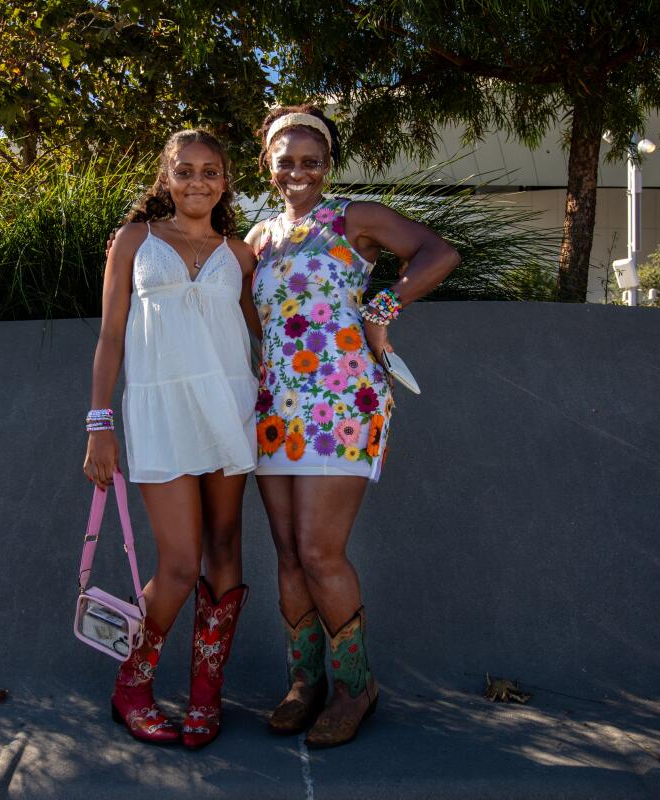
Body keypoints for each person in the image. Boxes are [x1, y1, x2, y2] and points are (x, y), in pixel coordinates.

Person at [246, 105, 460, 748]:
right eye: (286, 161)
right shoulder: (258, 240)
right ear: (269, 165)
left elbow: (439, 251)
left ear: (328, 164)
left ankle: (354, 686)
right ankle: (303, 684)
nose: (299, 172)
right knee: (287, 555)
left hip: (342, 403)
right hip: (275, 407)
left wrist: (381, 305)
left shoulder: (354, 218)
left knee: (319, 550)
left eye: (312, 160)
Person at [83, 129, 261, 749]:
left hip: (229, 411)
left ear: (225, 180)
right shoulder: (135, 241)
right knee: (180, 563)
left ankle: (206, 698)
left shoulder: (240, 254)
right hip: (160, 413)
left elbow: (263, 336)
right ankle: (132, 685)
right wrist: (98, 423)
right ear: (167, 178)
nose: (198, 182)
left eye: (210, 172)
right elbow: (110, 336)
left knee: (225, 547)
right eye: (185, 171)